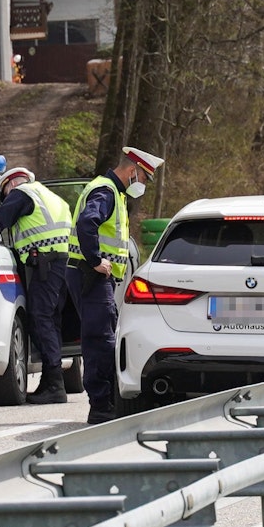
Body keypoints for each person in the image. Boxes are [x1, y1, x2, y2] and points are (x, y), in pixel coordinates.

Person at [66, 146, 165, 424]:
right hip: (91, 275)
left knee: (103, 336)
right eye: (144, 179)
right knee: (100, 340)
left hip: (93, 277)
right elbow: (88, 222)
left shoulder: (112, 192)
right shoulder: (106, 191)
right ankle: (101, 406)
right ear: (133, 171)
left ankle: (104, 402)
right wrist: (96, 259)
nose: (143, 185)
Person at [0, 167, 73, 404]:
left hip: (43, 266)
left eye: (5, 193)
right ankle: (51, 382)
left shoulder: (22, 194)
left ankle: (55, 385)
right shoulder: (53, 197)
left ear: (11, 184)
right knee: (52, 321)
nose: (7, 197)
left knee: (40, 319)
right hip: (60, 264)